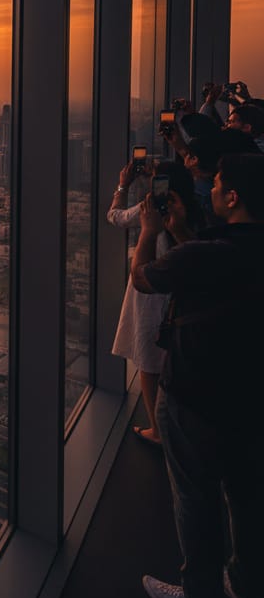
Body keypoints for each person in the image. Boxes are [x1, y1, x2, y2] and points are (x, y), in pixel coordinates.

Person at [132, 154, 264, 598]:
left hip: (195, 393)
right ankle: (250, 590)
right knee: (248, 495)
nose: (208, 190)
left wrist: (149, 230)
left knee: (196, 498)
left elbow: (143, 277)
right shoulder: (228, 249)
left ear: (232, 198)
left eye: (218, 186)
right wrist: (186, 232)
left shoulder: (203, 252)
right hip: (252, 397)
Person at [108, 158, 200, 444]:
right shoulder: (196, 209)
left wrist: (123, 185)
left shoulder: (151, 210)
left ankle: (157, 430)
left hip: (149, 292)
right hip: (183, 296)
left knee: (148, 363)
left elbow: (115, 217)